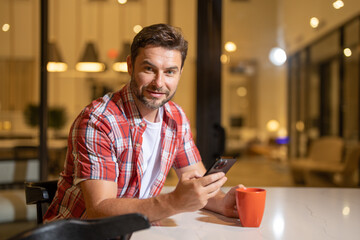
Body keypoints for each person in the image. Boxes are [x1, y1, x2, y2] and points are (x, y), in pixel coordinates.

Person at [44, 23, 243, 223]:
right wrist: (173, 202)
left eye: (170, 72)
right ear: (130, 65)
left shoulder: (176, 117)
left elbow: (197, 184)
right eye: (149, 69)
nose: (159, 82)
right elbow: (99, 209)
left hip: (136, 231)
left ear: (180, 73)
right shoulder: (98, 121)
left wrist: (223, 203)